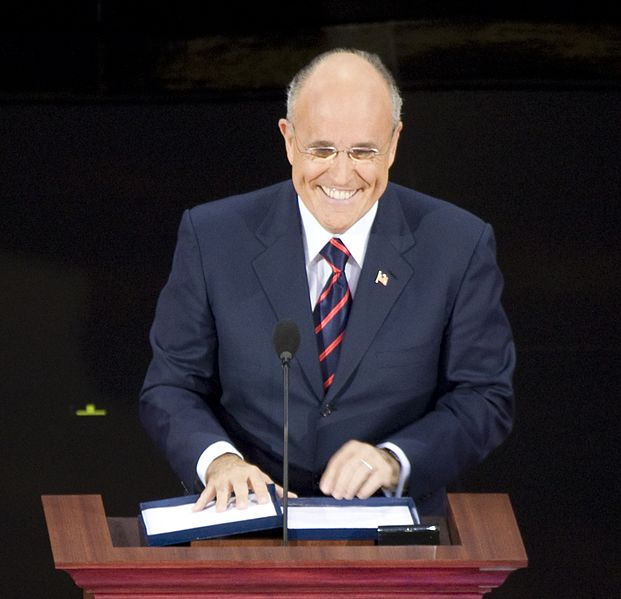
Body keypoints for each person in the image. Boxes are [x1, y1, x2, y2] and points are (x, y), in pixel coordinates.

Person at [139, 48, 515, 517]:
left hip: (396, 536)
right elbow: (172, 386)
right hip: (249, 522)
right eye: (321, 150)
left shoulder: (458, 244)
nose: (341, 174)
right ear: (288, 140)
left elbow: (483, 396)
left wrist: (395, 460)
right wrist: (220, 462)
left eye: (364, 152)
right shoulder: (213, 236)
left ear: (395, 143)